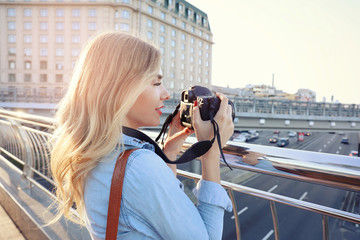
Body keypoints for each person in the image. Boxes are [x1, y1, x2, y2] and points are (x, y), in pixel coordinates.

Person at [50, 31, 234, 240]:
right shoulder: (138, 165)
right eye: (156, 83)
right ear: (120, 89)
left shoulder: (93, 151)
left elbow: (143, 210)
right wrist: (211, 153)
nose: (166, 94)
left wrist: (170, 151)